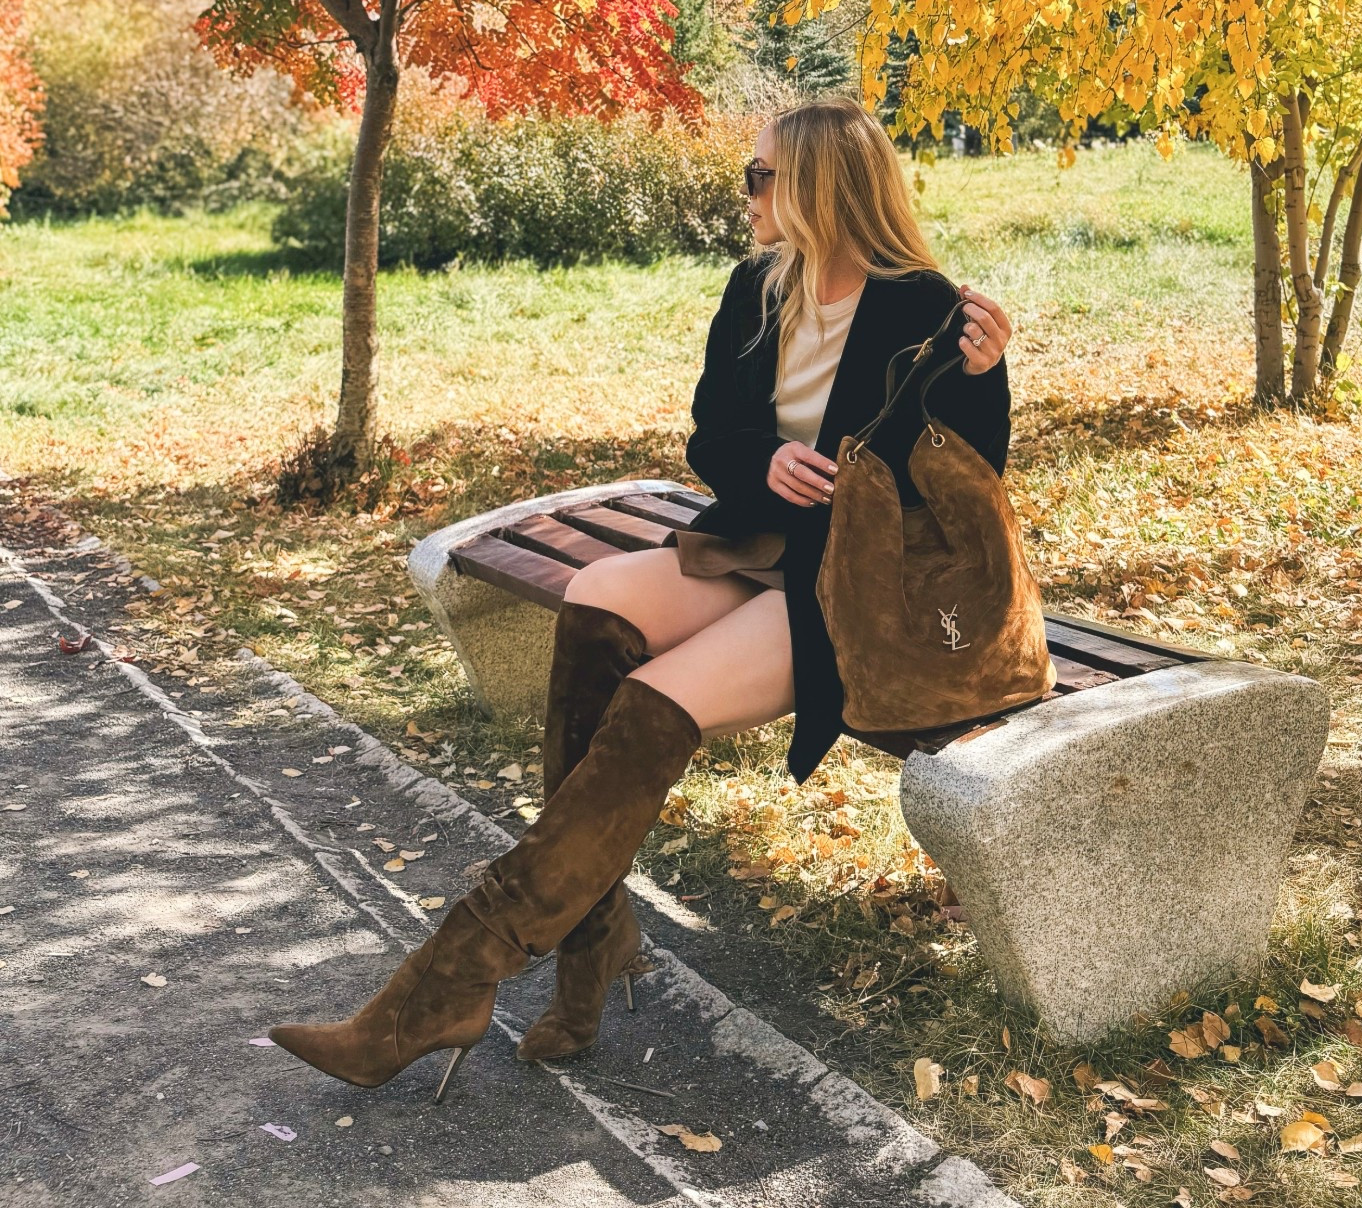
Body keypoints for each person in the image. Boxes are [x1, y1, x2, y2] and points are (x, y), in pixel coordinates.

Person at [269, 97, 1012, 1097]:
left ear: (820, 187)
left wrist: (980, 376)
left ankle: (443, 982)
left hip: (858, 589)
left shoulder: (922, 305)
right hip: (763, 541)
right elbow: (711, 435)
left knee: (651, 703)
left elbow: (965, 479)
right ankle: (593, 938)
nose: (743, 192)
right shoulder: (758, 286)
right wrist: (769, 460)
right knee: (595, 603)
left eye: (760, 176)